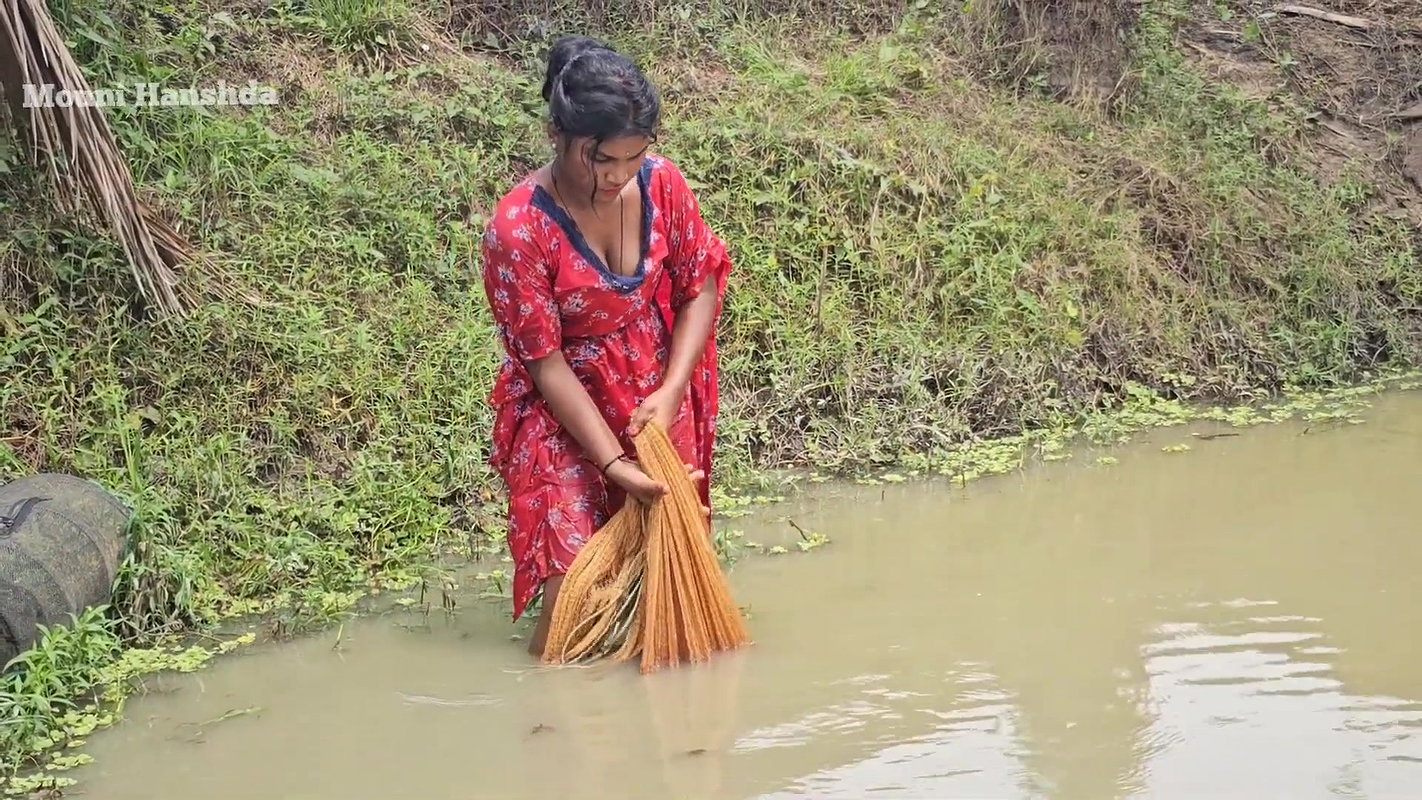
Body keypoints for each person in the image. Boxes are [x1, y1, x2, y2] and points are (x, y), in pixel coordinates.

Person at [480, 34, 734, 658]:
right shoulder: (519, 229)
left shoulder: (662, 184)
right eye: (599, 160)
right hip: (562, 409)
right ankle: (550, 723)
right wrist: (612, 462)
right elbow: (544, 361)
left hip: (652, 393)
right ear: (556, 134)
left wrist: (672, 391)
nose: (618, 177)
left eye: (632, 158)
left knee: (662, 559)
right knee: (574, 582)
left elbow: (700, 284)